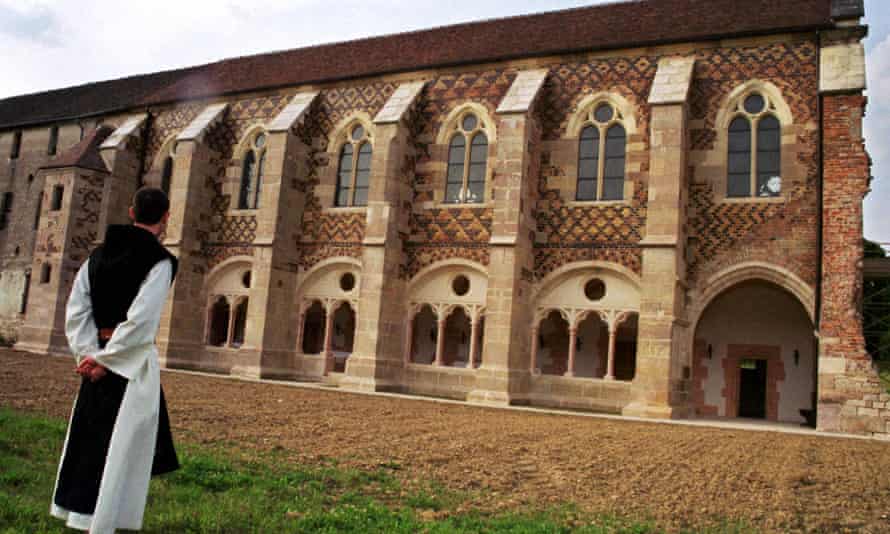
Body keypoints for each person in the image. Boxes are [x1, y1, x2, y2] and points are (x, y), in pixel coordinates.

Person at [51, 187, 180, 533]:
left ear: (131, 212)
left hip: (96, 361)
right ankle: (104, 521)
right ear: (166, 217)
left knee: (93, 439)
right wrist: (107, 361)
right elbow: (141, 321)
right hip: (129, 365)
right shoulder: (160, 262)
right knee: (119, 446)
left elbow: (76, 312)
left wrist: (88, 355)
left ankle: (86, 518)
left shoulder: (96, 257)